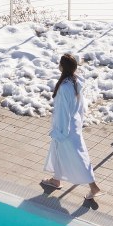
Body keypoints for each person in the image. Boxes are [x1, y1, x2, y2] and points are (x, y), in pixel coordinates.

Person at [39, 52, 100, 206]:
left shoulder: (66, 87)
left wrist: (61, 132)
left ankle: (93, 187)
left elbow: (64, 111)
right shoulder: (74, 82)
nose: (58, 65)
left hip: (65, 128)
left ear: (63, 67)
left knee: (78, 157)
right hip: (71, 125)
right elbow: (78, 107)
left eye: (60, 63)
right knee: (59, 152)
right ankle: (56, 180)